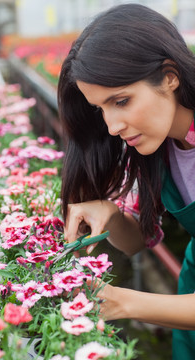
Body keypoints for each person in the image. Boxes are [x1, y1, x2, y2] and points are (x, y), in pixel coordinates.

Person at [57, 3, 195, 360]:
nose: (113, 126)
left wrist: (122, 302)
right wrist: (110, 215)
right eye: (101, 109)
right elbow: (137, 241)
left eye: (121, 101)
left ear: (169, 76)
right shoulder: (158, 147)